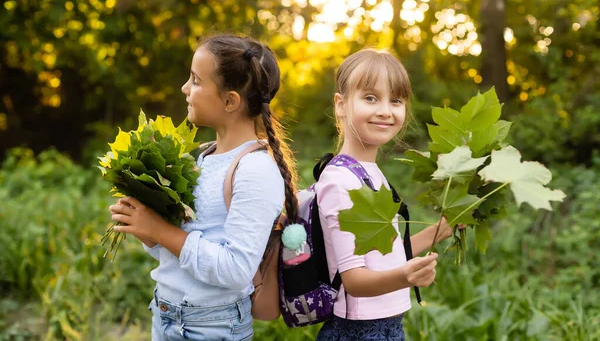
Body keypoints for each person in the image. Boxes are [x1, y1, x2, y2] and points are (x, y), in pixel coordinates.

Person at [108, 35, 298, 341]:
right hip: (167, 314)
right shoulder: (205, 157)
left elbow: (235, 269)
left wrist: (162, 231)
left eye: (196, 80)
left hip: (212, 326)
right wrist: (146, 229)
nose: (185, 88)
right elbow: (182, 254)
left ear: (229, 101)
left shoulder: (255, 170)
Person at [315, 48, 457, 341]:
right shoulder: (340, 181)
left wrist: (443, 229)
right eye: (370, 98)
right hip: (359, 332)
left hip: (388, 327)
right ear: (341, 105)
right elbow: (354, 281)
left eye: (396, 100)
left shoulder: (369, 172)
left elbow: (386, 255)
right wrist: (406, 276)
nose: (385, 110)